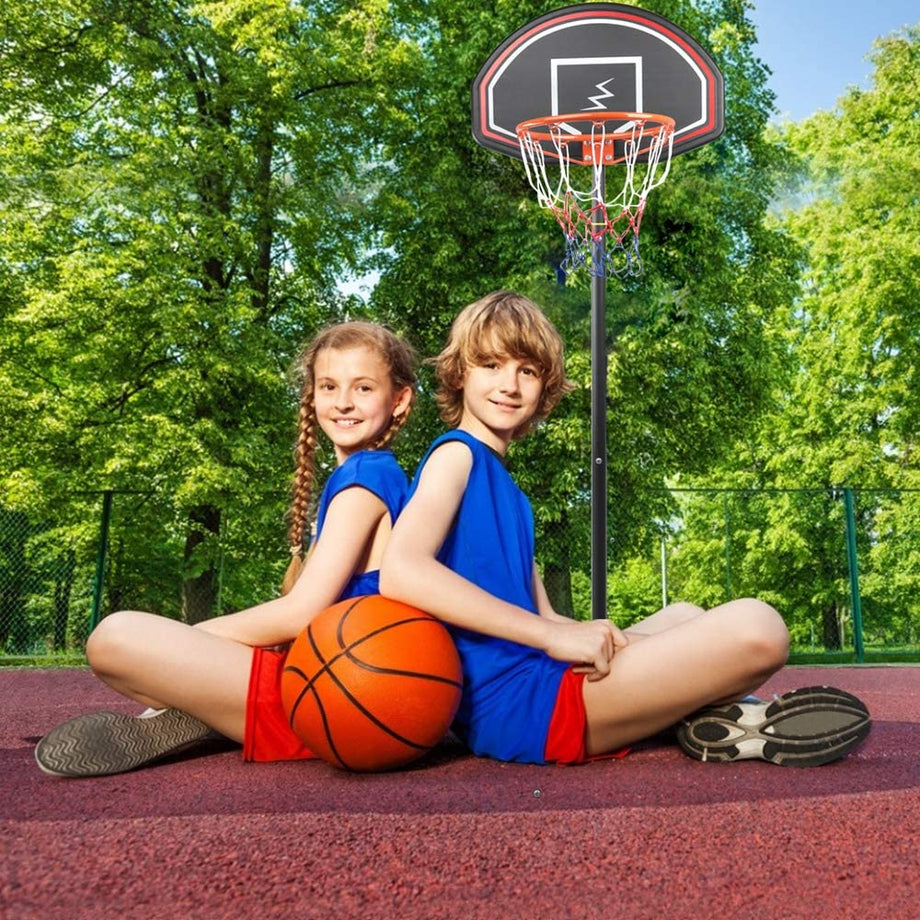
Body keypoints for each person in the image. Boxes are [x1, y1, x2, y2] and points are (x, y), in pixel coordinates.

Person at [380, 291, 871, 767]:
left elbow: (544, 615)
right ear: (459, 373)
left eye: (526, 371)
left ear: (544, 387)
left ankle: (710, 719)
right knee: (760, 627)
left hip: (537, 677)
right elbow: (402, 572)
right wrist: (550, 639)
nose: (509, 384)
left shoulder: (510, 491)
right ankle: (728, 713)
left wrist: (592, 634)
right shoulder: (456, 455)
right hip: (521, 705)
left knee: (683, 614)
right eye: (491, 365)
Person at [36, 321, 416, 777]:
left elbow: (300, 612)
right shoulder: (377, 475)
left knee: (113, 638)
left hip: (335, 699)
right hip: (337, 687)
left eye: (364, 387)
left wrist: (190, 642)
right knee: (144, 652)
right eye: (329, 386)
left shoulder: (365, 480)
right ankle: (209, 709)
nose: (343, 402)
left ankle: (206, 707)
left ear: (400, 400)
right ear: (311, 396)